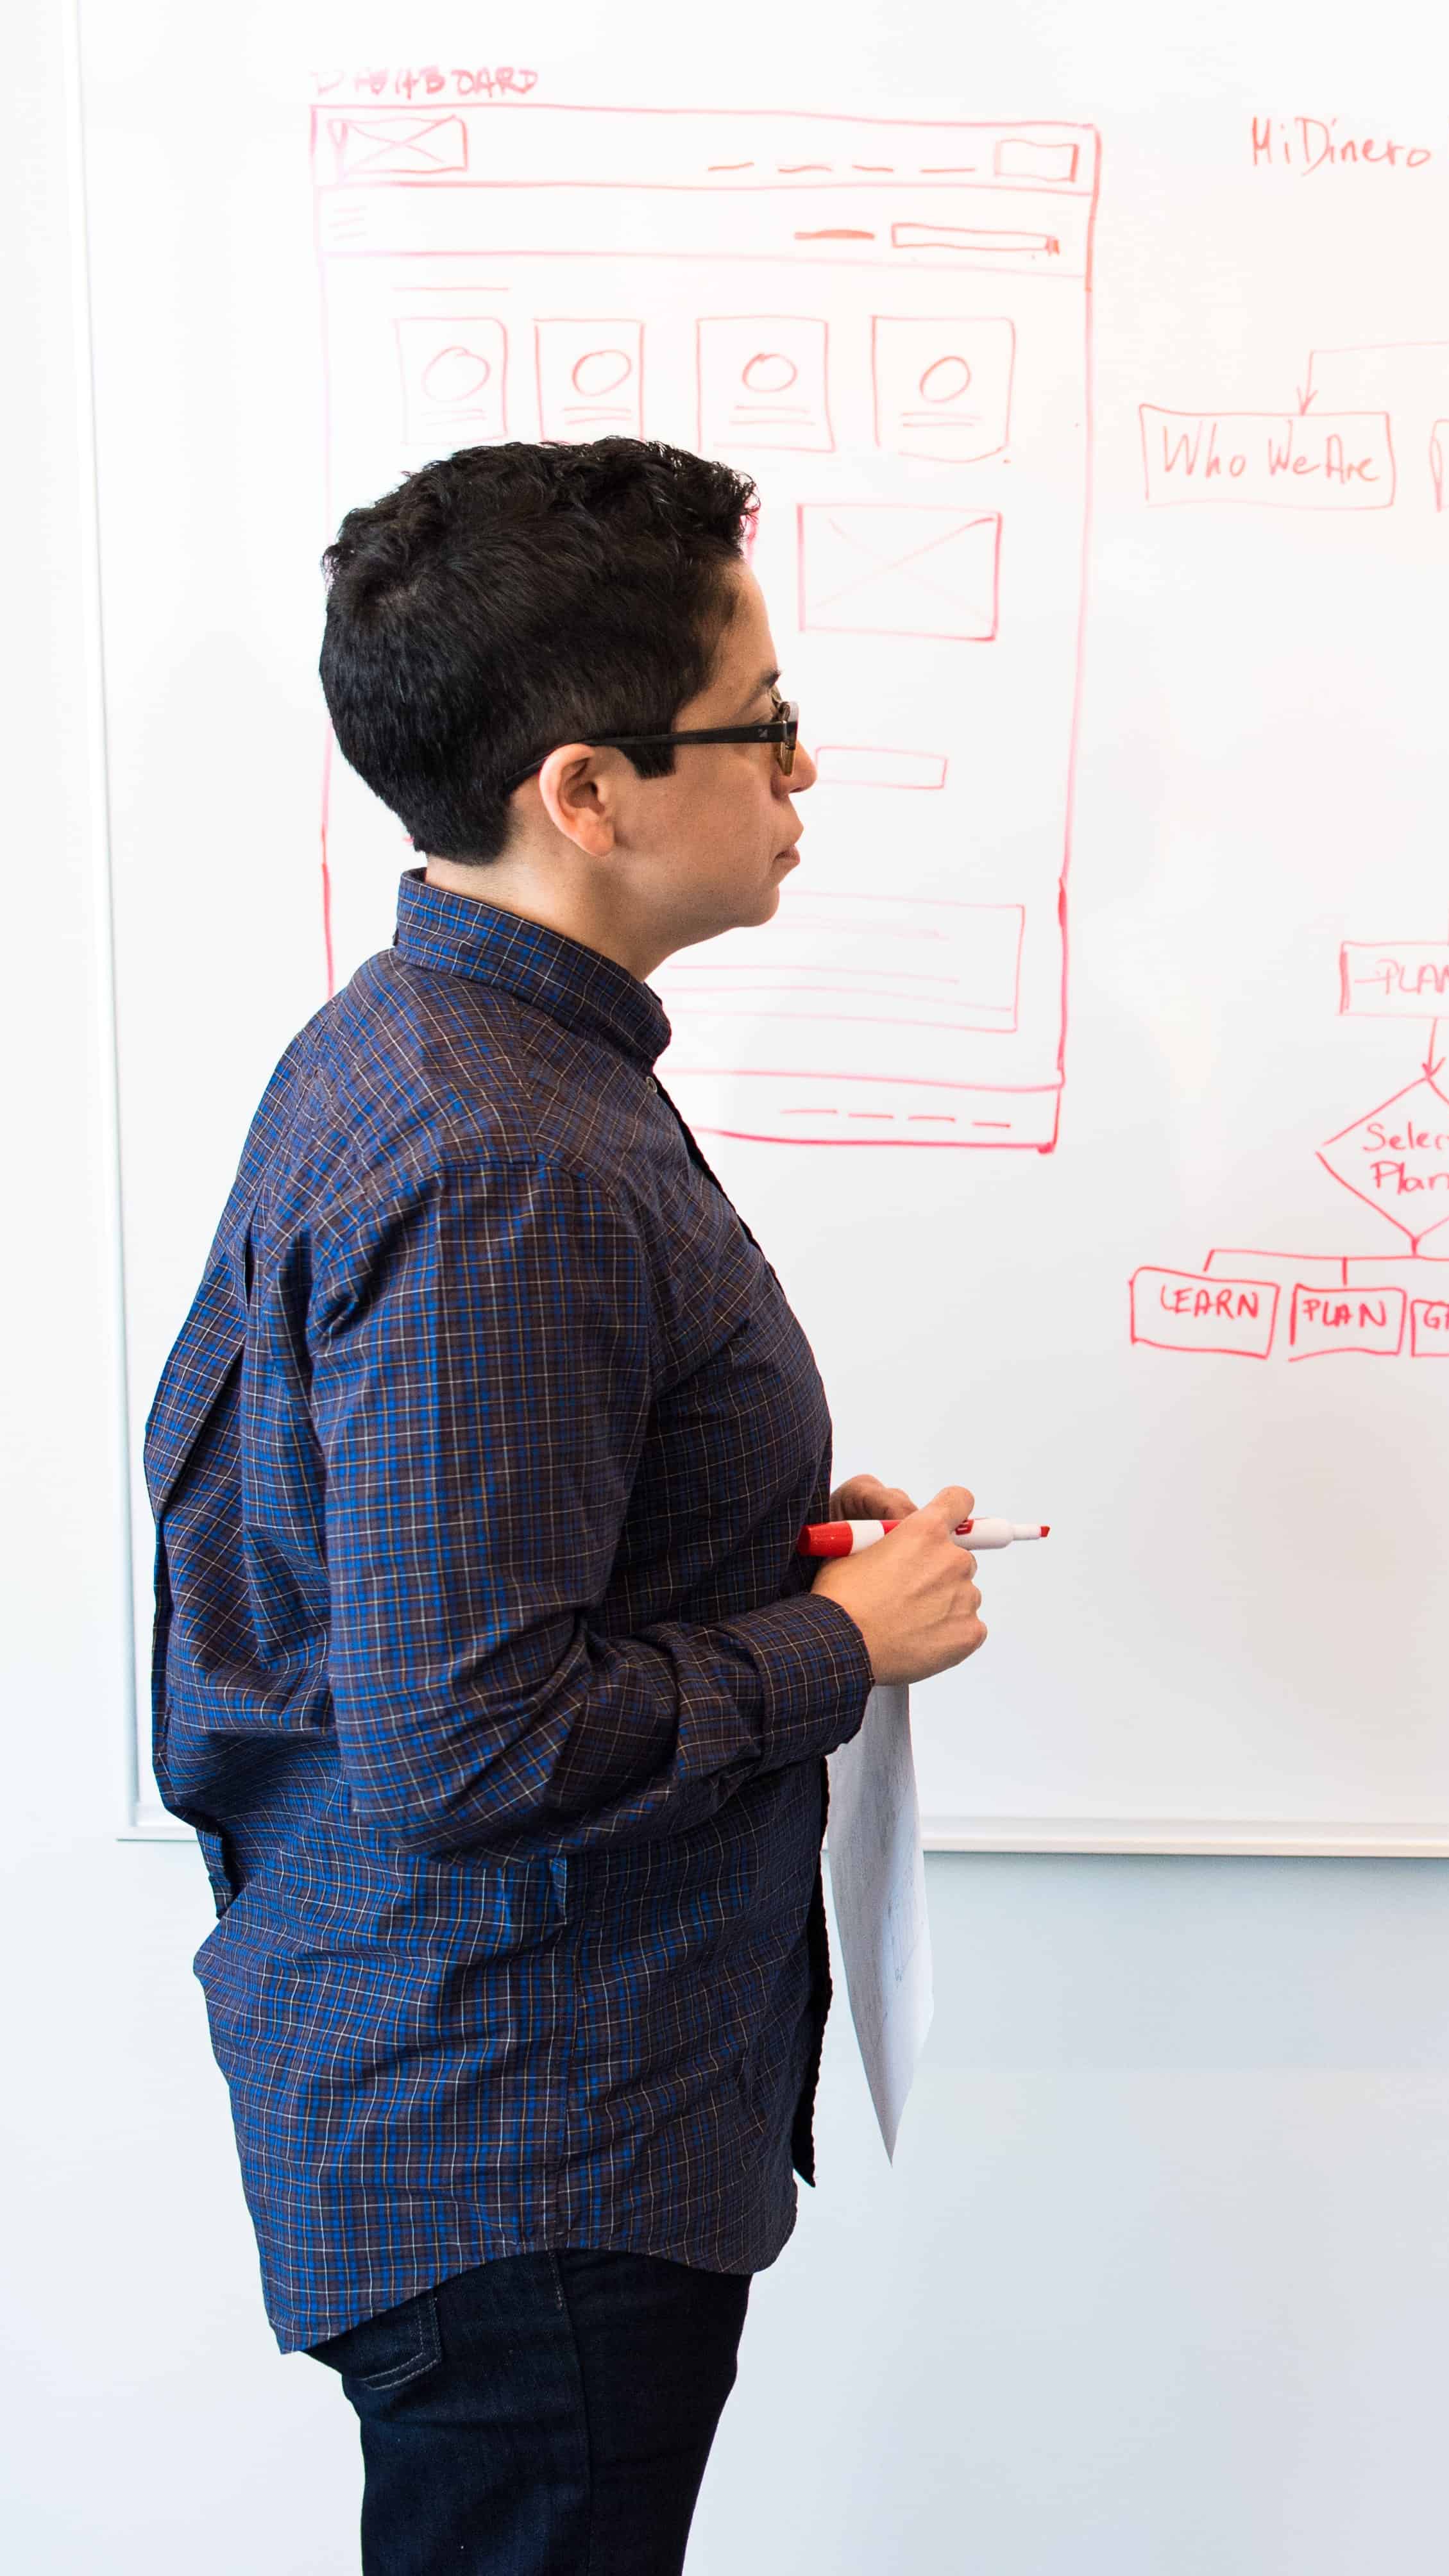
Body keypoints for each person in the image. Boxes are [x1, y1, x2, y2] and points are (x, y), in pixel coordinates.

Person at [142, 437, 995, 2575]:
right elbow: (474, 1736)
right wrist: (843, 1647)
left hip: (500, 2112)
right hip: (522, 2148)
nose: (805, 773)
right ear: (588, 792)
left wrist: (751, 1557)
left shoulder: (459, 1060)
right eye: (767, 726)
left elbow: (446, 1595)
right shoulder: (498, 1158)